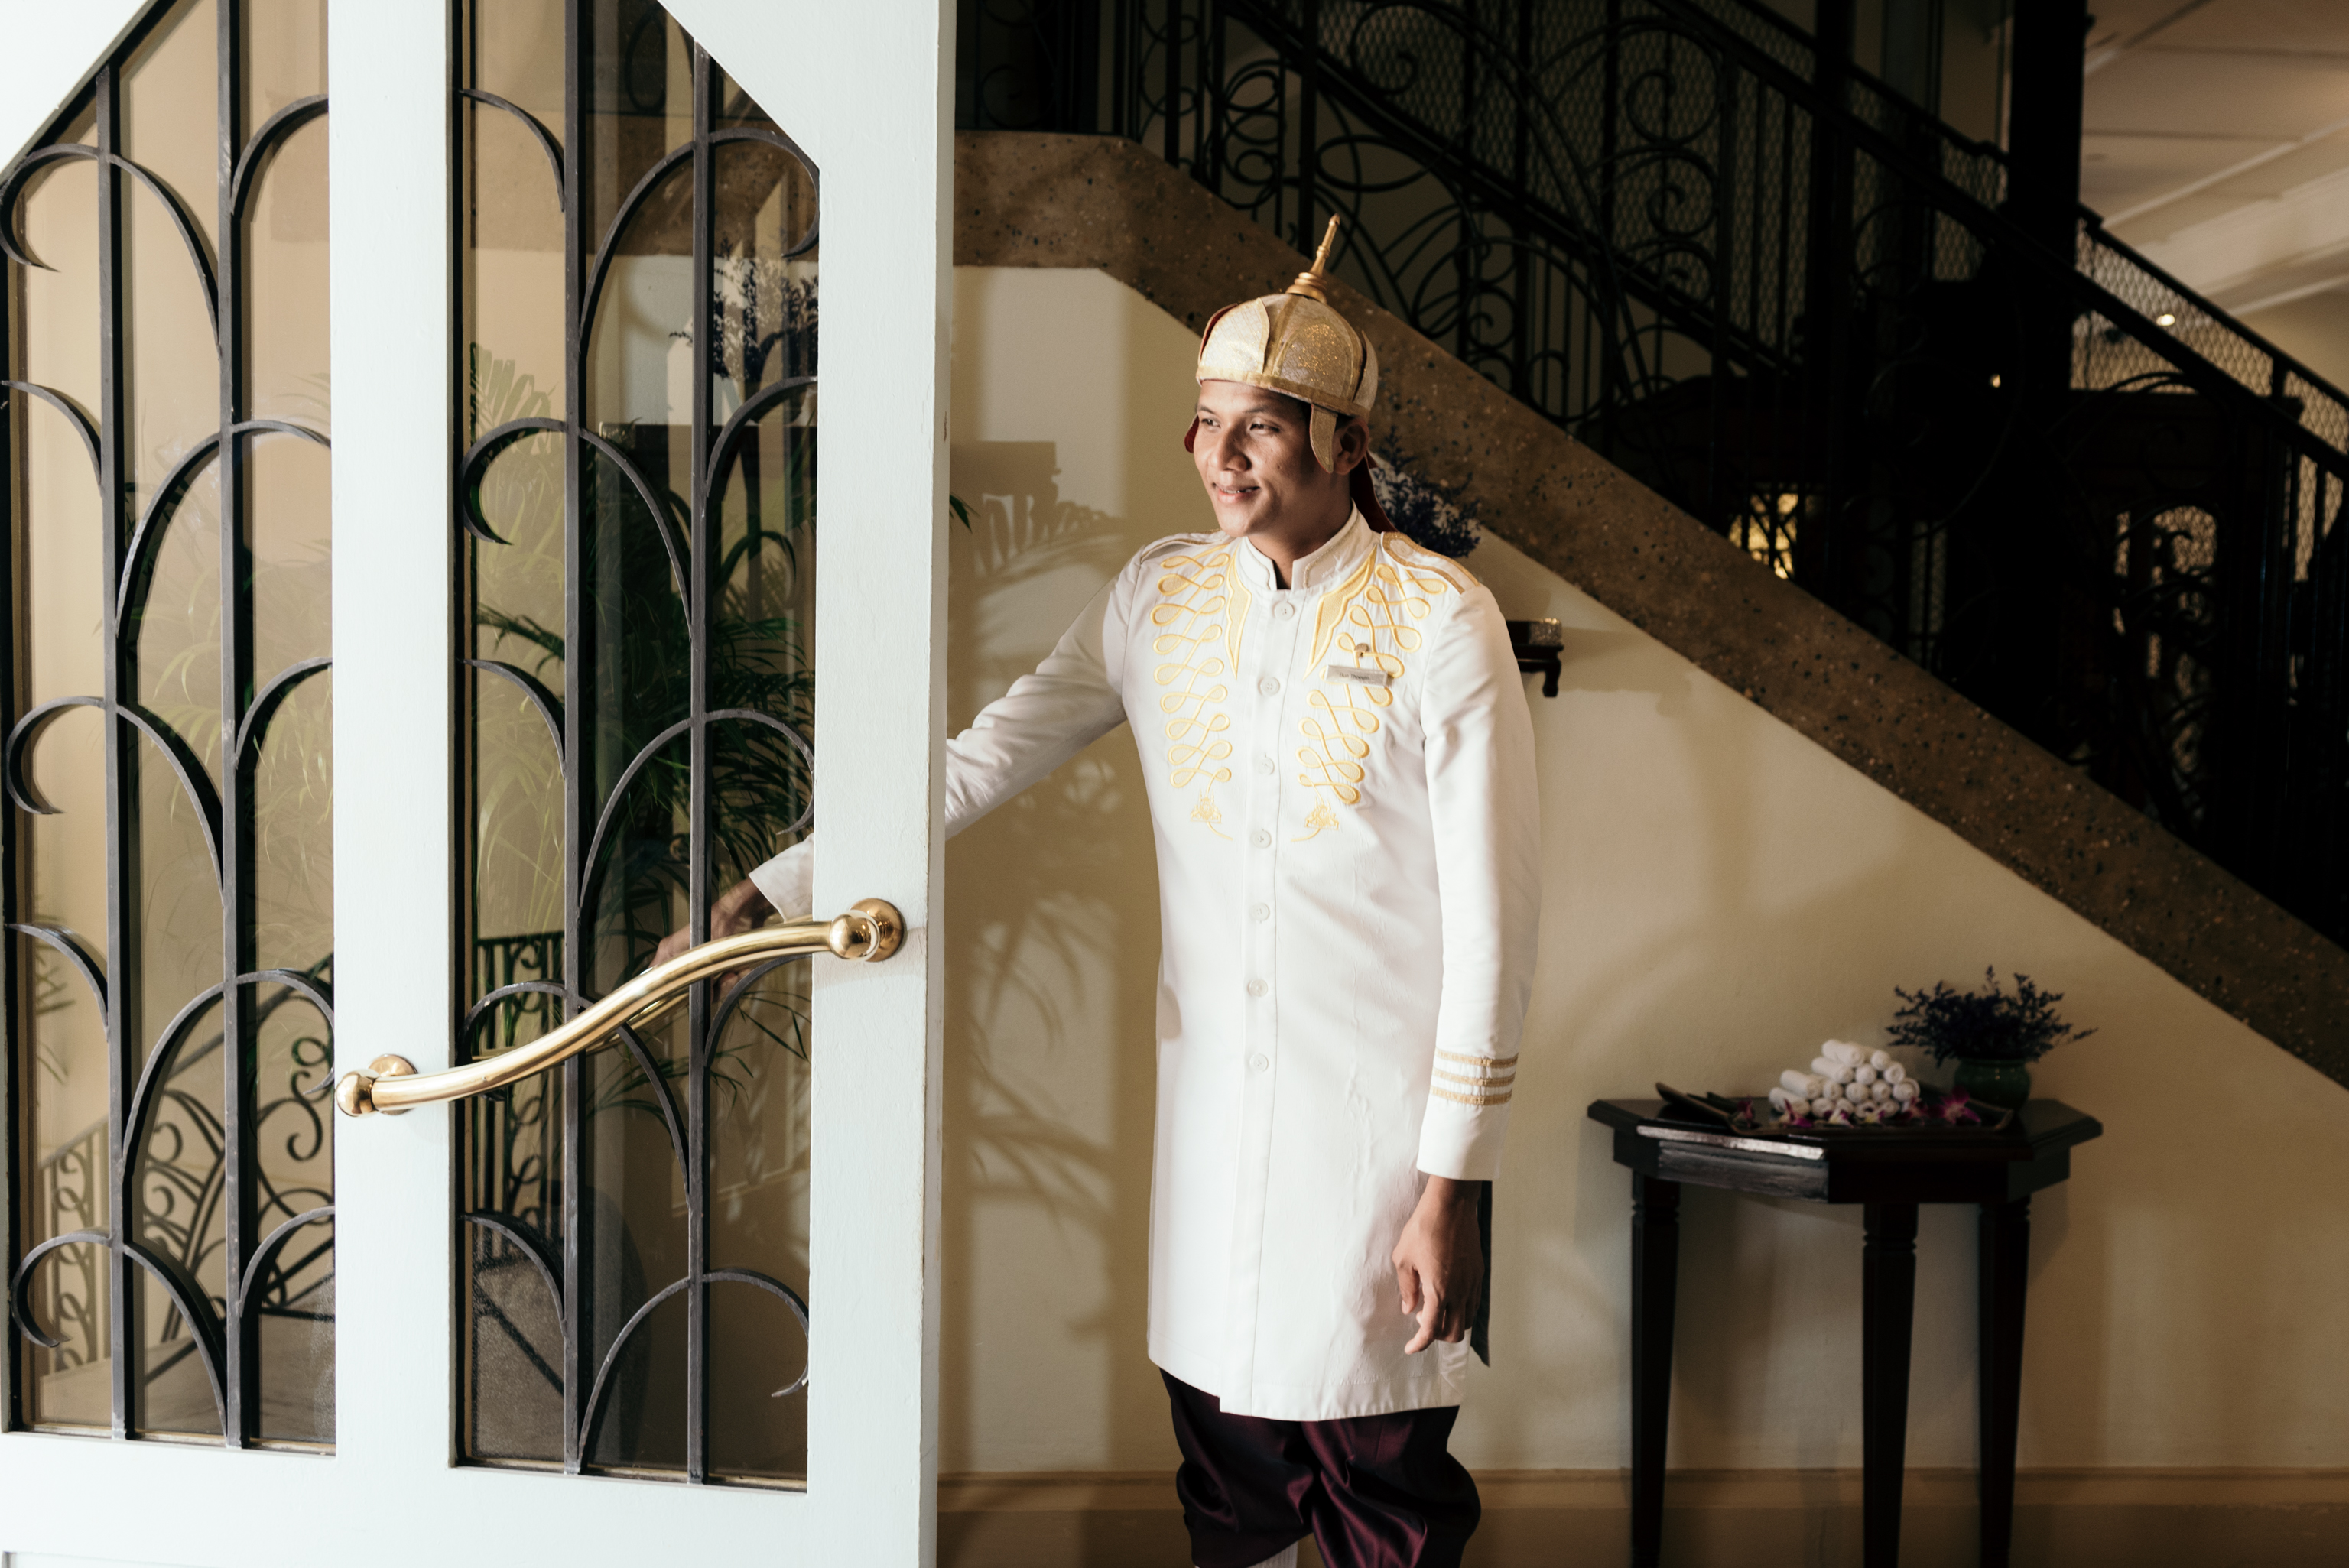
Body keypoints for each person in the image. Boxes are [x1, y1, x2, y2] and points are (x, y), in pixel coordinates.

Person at [660, 219, 1540, 1568]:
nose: (1221, 455)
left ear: (1349, 442)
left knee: (1385, 1492)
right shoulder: (1157, 599)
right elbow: (979, 760)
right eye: (1207, 422)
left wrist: (1453, 1186)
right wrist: (779, 884)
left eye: (1262, 426)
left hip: (1375, 1149)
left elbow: (1494, 926)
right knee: (1229, 1488)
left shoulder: (1441, 619)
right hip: (1209, 1135)